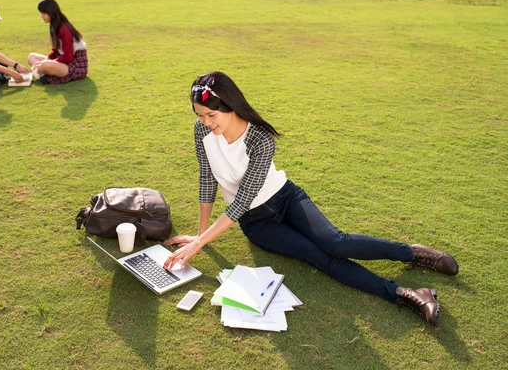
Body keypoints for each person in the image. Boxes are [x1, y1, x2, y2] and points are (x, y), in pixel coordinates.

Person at [163, 71, 459, 326]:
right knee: (319, 257)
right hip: (256, 223)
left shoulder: (259, 138)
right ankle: (406, 294)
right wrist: (199, 236)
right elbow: (207, 179)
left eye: (211, 115)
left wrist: (199, 243)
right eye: (200, 115)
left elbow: (241, 199)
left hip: (286, 197)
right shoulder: (202, 131)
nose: (205, 122)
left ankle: (412, 253)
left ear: (230, 106)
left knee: (336, 242)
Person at [28, 0, 88, 85]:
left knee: (45, 65)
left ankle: (43, 72)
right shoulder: (54, 26)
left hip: (75, 66)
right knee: (31, 57)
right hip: (64, 63)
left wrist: (45, 63)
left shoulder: (64, 29)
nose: (42, 16)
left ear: (51, 13)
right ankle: (43, 72)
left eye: (44, 14)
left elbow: (69, 57)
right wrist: (47, 60)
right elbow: (55, 51)